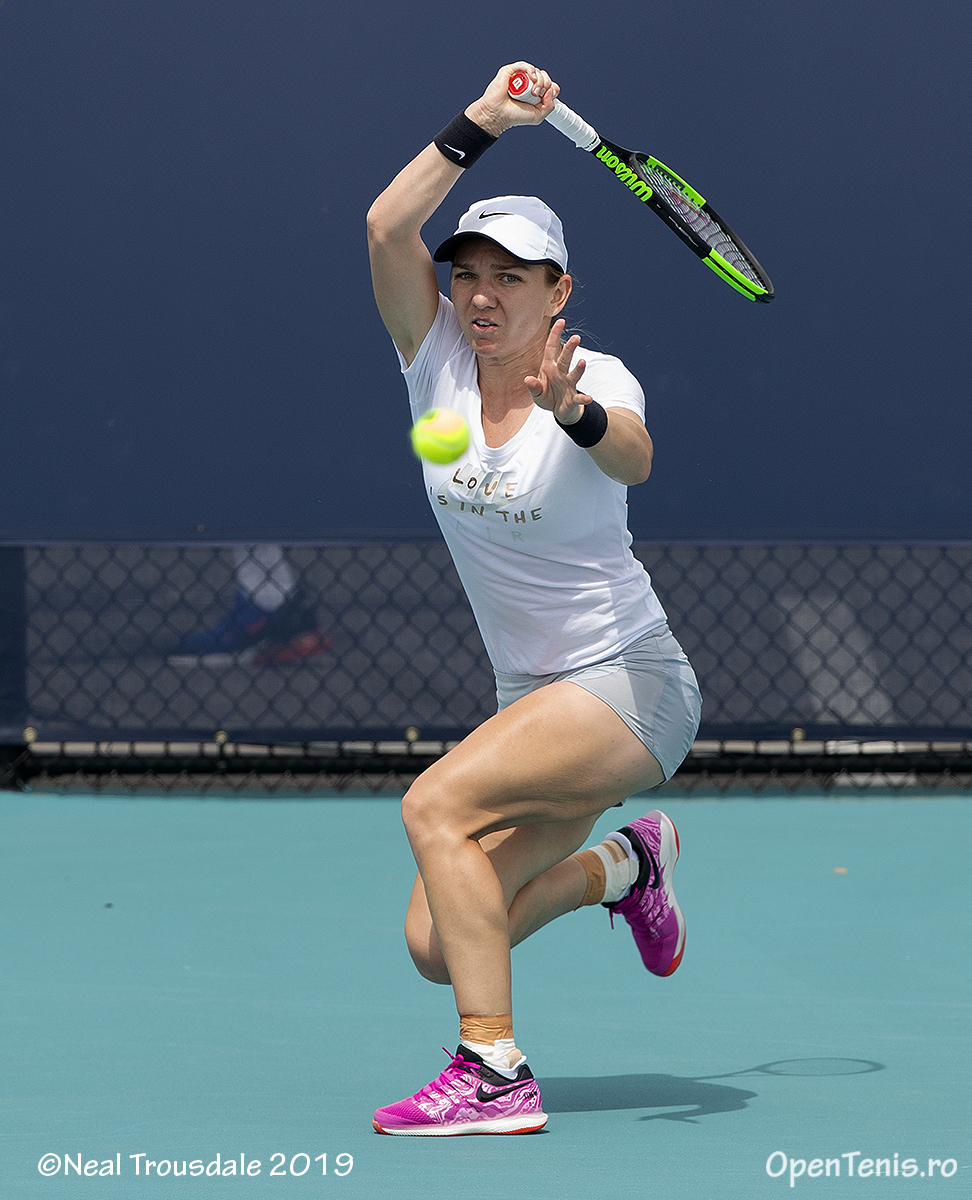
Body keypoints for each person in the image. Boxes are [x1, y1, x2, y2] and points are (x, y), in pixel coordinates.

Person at [366, 61, 702, 1136]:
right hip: (532, 702)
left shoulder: (594, 376)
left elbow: (635, 456)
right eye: (469, 272)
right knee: (438, 942)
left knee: (433, 807)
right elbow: (386, 227)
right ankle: (626, 865)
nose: (481, 294)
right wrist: (484, 122)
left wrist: (575, 415)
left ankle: (494, 1073)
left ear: (558, 293)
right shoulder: (434, 365)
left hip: (629, 686)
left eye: (511, 277)